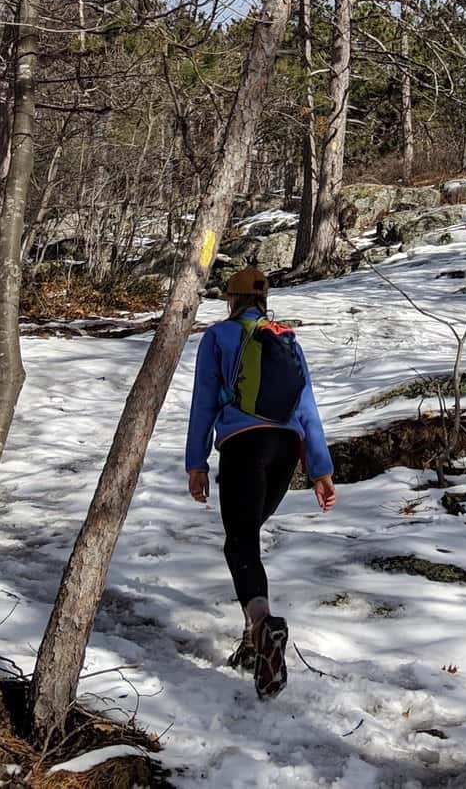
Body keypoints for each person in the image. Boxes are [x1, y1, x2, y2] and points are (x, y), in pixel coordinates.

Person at [185, 264, 336, 700]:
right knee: (247, 539)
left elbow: (203, 403)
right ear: (264, 300)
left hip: (243, 445)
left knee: (240, 542)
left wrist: (196, 462)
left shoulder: (219, 337)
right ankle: (254, 644)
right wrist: (321, 470)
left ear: (230, 301)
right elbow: (307, 406)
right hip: (286, 450)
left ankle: (262, 625)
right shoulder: (286, 338)